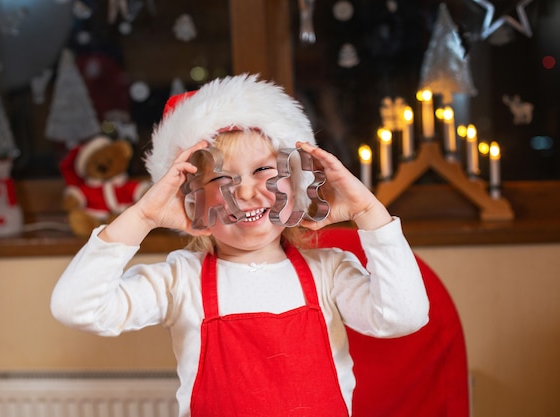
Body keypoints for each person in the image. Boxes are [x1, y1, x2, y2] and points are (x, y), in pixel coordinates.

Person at [51, 74, 429, 417]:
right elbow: (76, 308)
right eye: (221, 178)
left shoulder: (329, 272)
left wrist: (368, 211)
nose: (247, 192)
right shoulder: (180, 280)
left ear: (296, 185)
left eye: (264, 170)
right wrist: (142, 217)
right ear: (189, 198)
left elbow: (404, 316)